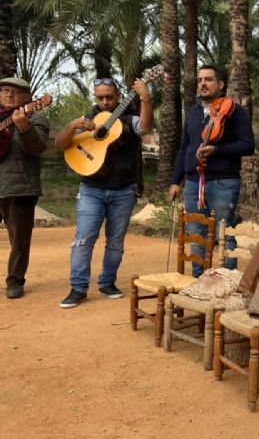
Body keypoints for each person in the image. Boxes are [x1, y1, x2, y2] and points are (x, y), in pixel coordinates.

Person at [55, 77, 153, 308]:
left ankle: (107, 282)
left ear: (118, 96)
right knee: (83, 238)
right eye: (100, 97)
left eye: (110, 97)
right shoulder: (88, 119)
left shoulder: (130, 120)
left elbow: (147, 128)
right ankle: (78, 288)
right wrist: (72, 126)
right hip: (91, 189)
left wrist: (145, 98)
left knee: (115, 241)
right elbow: (60, 145)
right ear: (95, 97)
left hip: (124, 190)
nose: (105, 101)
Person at [170, 65, 254, 275]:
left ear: (220, 84)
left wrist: (217, 149)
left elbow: (248, 145)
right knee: (195, 233)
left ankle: (226, 284)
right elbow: (184, 147)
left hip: (223, 182)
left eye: (208, 79)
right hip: (192, 182)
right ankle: (199, 282)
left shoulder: (235, 112)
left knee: (224, 233)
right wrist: (175, 181)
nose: (203, 84)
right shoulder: (193, 112)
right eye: (200, 80)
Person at [0, 78, 49, 299]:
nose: (9, 95)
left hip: (20, 187)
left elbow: (37, 147)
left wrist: (24, 127)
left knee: (19, 239)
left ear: (29, 98)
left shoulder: (36, 118)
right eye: (5, 91)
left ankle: (15, 281)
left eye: (16, 92)